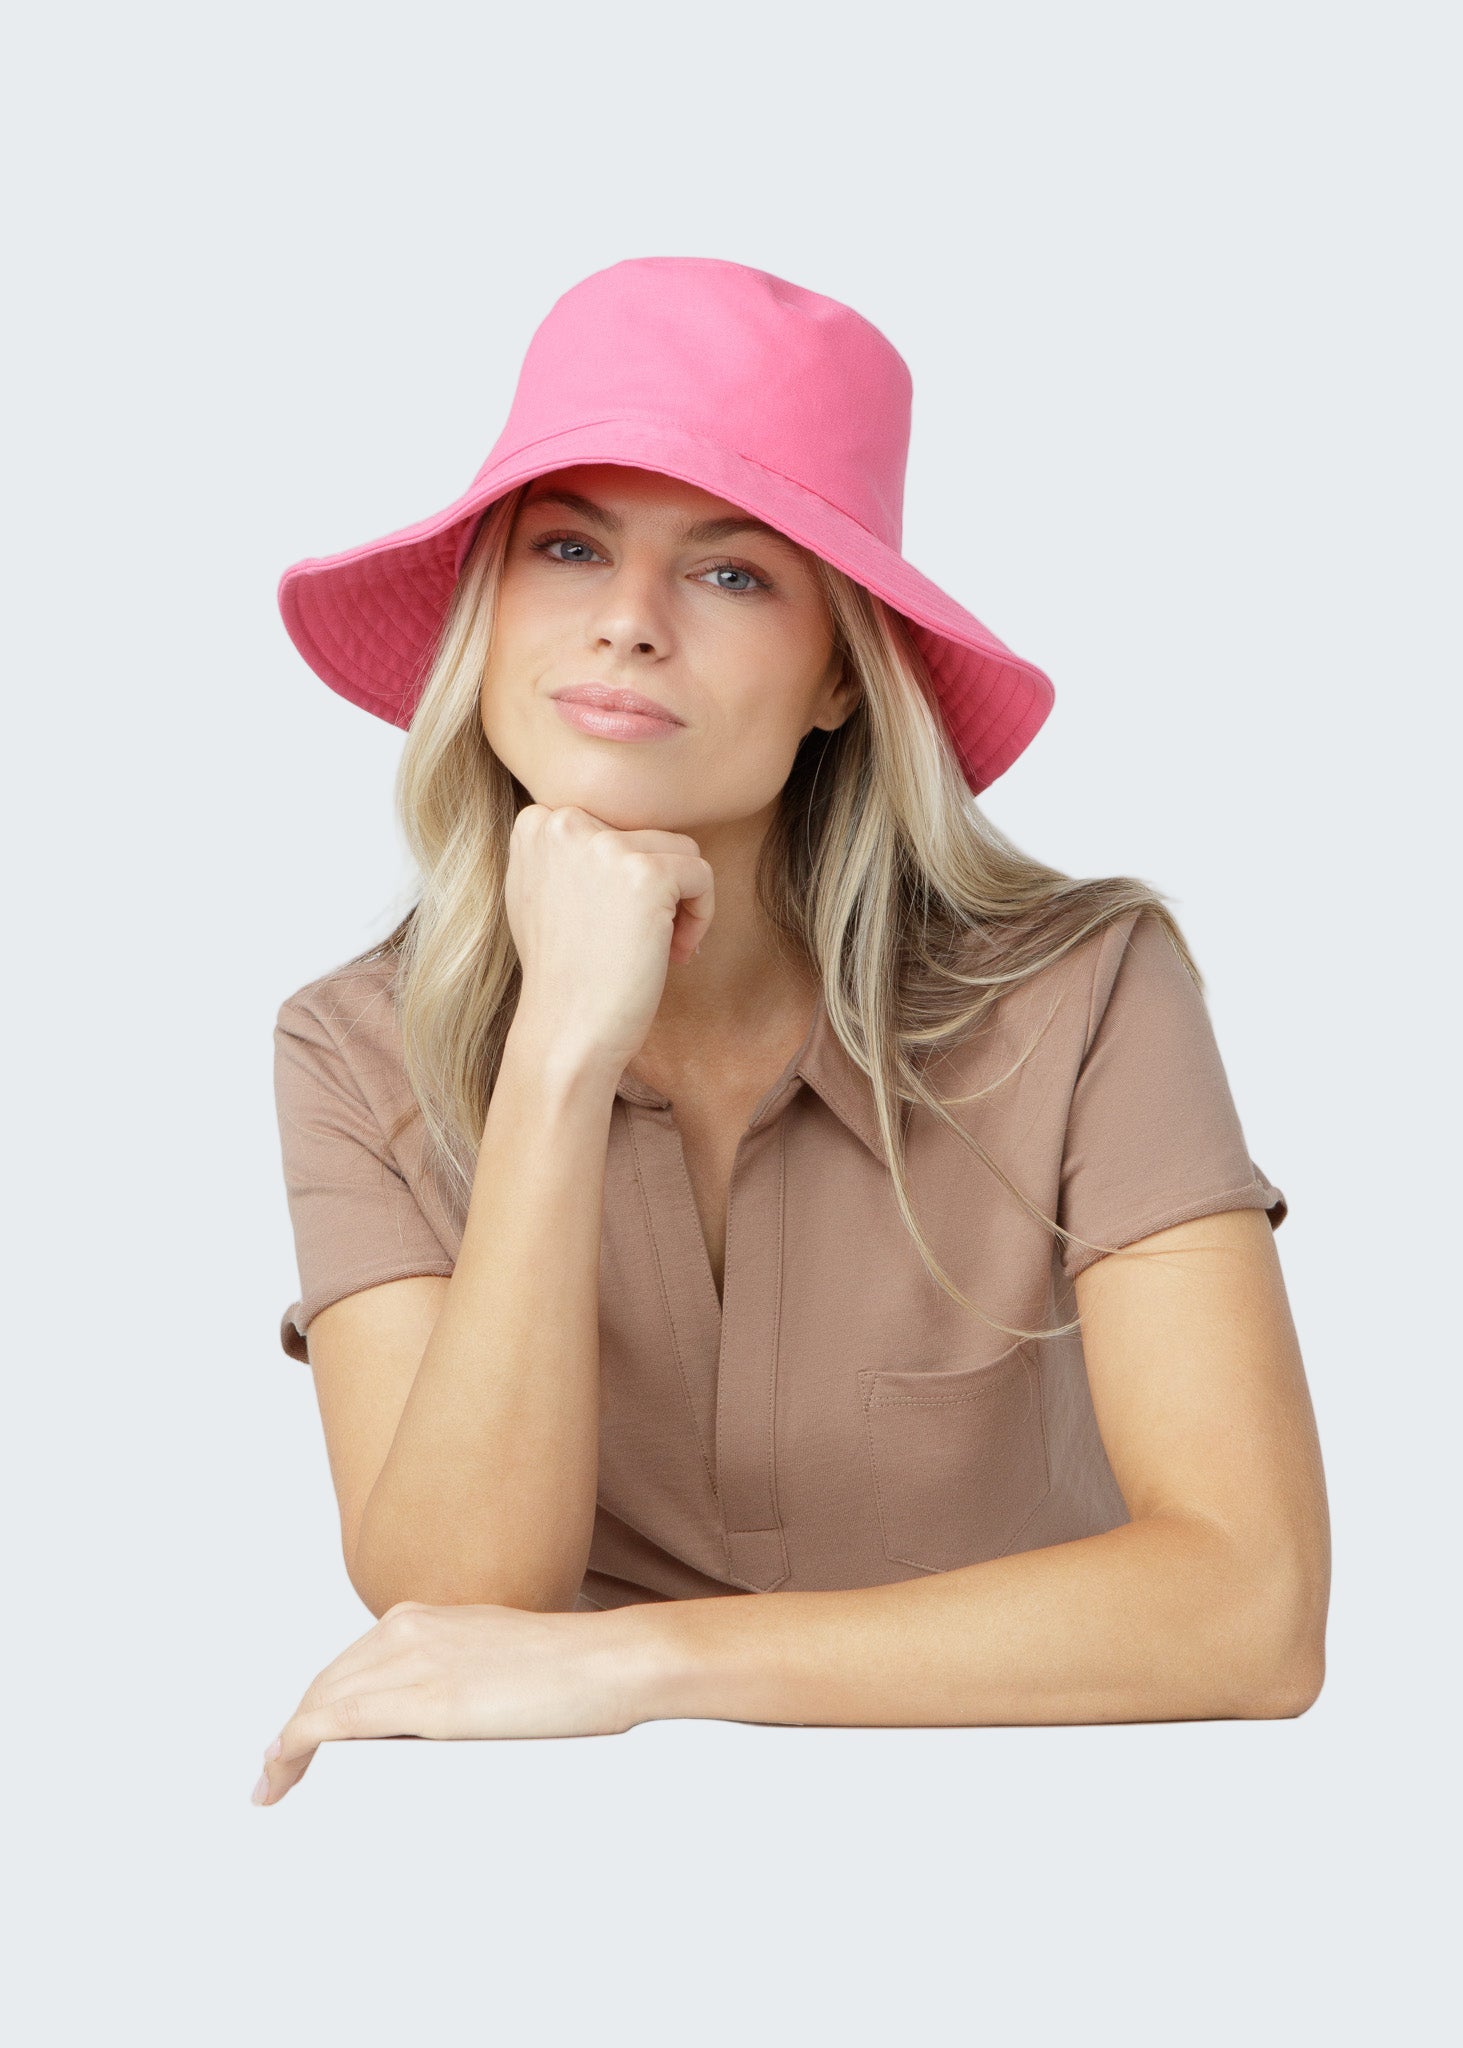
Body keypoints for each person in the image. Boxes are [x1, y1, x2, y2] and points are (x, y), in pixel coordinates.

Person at [254, 257, 1329, 1807]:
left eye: (732, 573)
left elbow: (1256, 1607)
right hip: (558, 1885)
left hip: (1072, 1853)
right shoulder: (349, 1048)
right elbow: (459, 1603)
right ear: (487, 614)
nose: (625, 626)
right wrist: (561, 1049)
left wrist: (647, 1662)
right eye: (567, 546)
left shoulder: (1088, 991)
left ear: (838, 675)